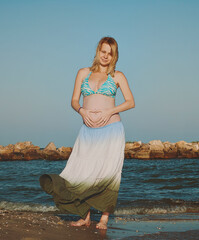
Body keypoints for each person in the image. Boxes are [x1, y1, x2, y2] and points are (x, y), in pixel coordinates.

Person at [39, 36, 135, 230]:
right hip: (88, 131)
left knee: (108, 173)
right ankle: (85, 216)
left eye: (110, 53)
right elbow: (74, 100)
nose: (106, 56)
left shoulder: (118, 76)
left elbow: (130, 102)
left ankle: (104, 219)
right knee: (79, 172)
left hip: (111, 130)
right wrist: (82, 111)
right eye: (103, 51)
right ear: (98, 51)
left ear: (114, 55)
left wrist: (109, 111)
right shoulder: (83, 72)